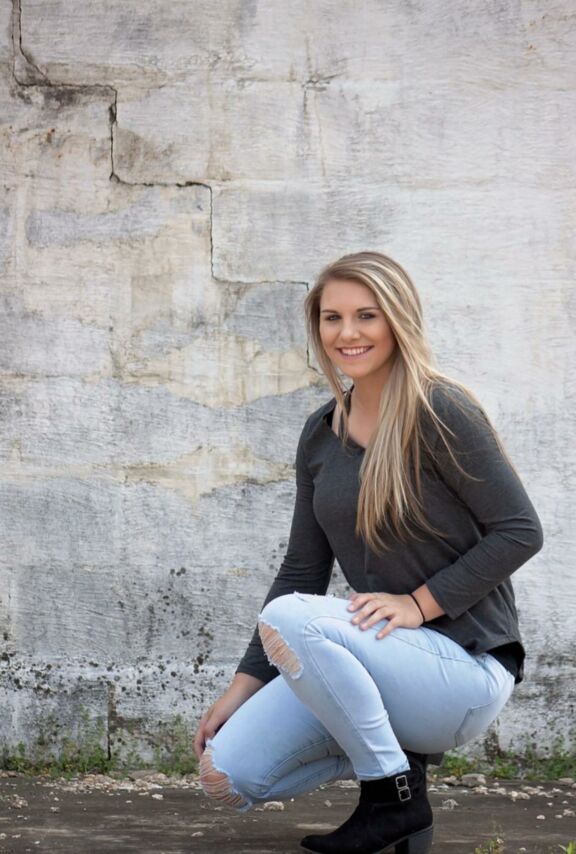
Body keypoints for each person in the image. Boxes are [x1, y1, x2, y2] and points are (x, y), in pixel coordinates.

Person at [192, 251, 544, 854]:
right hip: (384, 665)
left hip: (466, 671)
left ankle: (392, 797)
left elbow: (520, 531)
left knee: (293, 617)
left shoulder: (441, 410)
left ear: (397, 319)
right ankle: (397, 765)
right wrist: (243, 685)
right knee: (226, 773)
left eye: (366, 315)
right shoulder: (320, 433)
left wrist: (419, 604)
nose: (347, 333)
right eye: (332, 317)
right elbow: (302, 568)